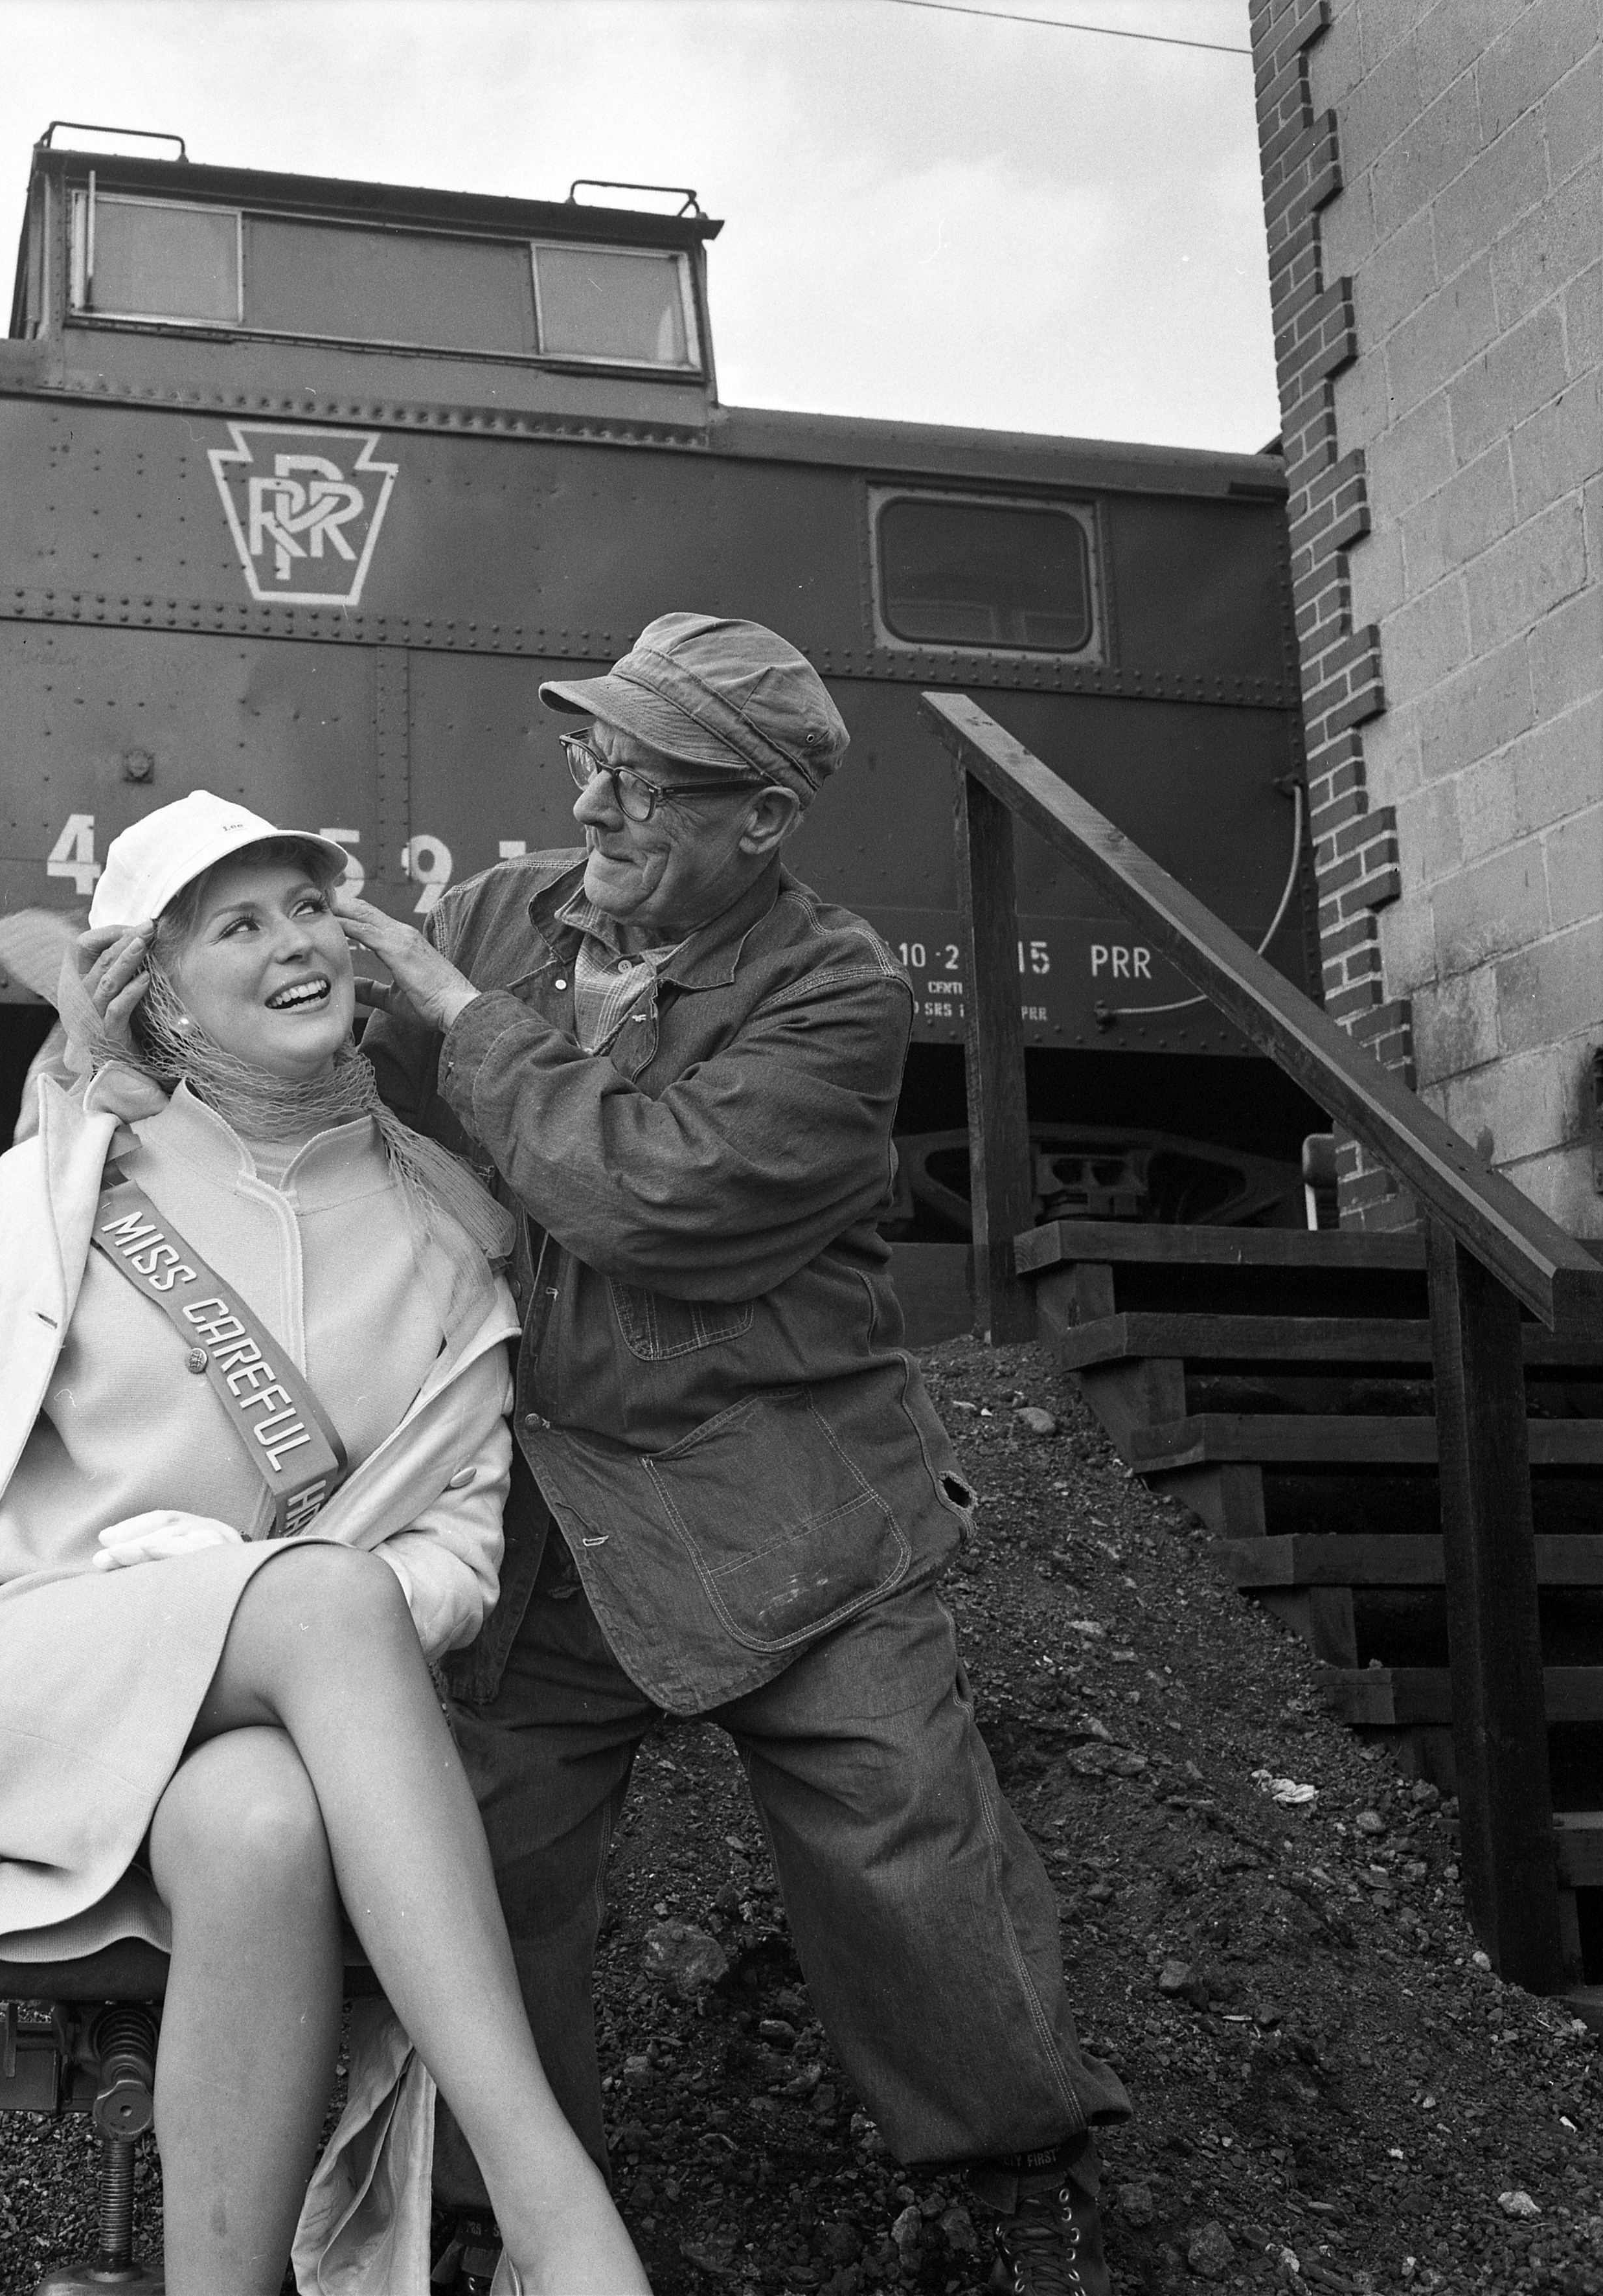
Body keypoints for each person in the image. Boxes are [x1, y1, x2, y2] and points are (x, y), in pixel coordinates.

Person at [0, 793, 650, 2296]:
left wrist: (253, 1590)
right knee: (319, 1609)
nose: (297, 944)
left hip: (249, 1721)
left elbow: (457, 1546)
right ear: (159, 992)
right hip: (0, 1690)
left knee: (263, 1824)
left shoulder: (449, 1229)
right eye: (238, 925)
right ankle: (551, 2203)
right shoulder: (61, 1186)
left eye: (308, 909)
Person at [336, 615, 1133, 2296]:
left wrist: (458, 1017)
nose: (600, 799)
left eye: (651, 779)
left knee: (898, 1834)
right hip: (564, 1494)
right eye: (589, 760)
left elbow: (656, 1199)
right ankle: (506, 2221)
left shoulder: (835, 987)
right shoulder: (503, 921)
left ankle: (1013, 2186)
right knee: (478, 1851)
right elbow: (355, 1077)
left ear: (763, 816)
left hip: (796, 1485)